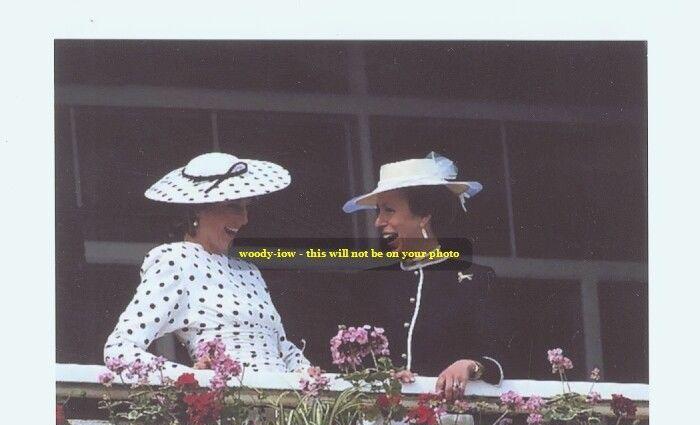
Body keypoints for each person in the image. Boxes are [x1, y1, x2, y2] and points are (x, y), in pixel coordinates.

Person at [103, 152, 311, 378]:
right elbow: (119, 350)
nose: (244, 220)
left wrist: (306, 372)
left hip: (282, 405)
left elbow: (282, 347)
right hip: (233, 407)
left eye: (246, 207)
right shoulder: (176, 261)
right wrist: (189, 380)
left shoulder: (249, 271)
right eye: (233, 206)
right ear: (197, 209)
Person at [342, 152, 511, 401]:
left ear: (424, 216)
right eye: (378, 211)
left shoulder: (476, 279)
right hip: (379, 423)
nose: (379, 221)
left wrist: (470, 365)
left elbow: (501, 356)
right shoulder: (370, 283)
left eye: (389, 210)